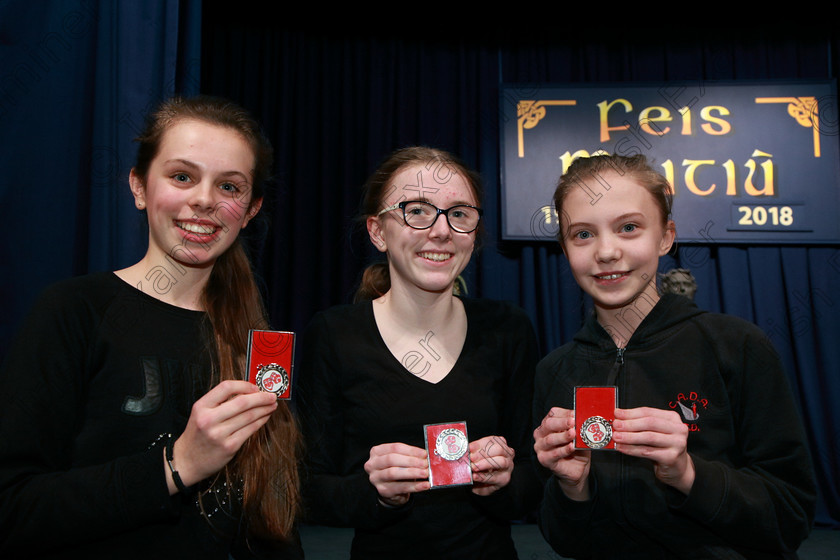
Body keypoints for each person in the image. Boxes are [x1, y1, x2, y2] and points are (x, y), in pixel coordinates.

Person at [0, 96, 302, 559]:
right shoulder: (75, 311)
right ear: (139, 186)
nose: (204, 200)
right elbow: (15, 507)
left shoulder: (257, 343)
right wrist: (177, 466)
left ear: (251, 209)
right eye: (182, 176)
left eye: (229, 187)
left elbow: (270, 519)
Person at [532, 154, 816, 559]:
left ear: (666, 236)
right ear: (563, 247)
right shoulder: (554, 371)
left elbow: (790, 516)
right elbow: (564, 541)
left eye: (629, 228)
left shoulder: (736, 346)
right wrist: (571, 488)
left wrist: (687, 474)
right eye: (582, 235)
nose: (607, 251)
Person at [296, 146, 542, 558]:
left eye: (459, 213)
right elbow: (307, 488)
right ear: (378, 231)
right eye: (417, 210)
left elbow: (537, 482)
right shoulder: (335, 334)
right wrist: (375, 491)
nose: (442, 231)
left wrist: (503, 482)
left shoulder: (508, 328)